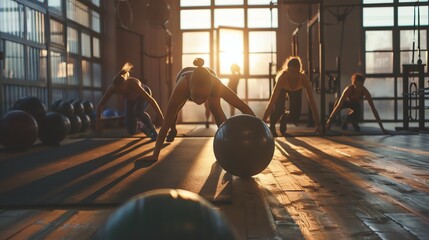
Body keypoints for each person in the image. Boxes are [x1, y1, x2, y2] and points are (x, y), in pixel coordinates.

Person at [145, 58, 255, 162]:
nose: (200, 101)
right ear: (189, 91)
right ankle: (173, 130)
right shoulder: (182, 87)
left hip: (209, 75)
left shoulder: (216, 85)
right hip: (184, 77)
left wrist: (261, 128)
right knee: (174, 113)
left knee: (215, 109)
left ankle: (228, 146)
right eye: (196, 96)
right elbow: (165, 123)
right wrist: (155, 155)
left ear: (210, 90)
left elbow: (243, 106)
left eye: (204, 97)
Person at [95, 62, 164, 140]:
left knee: (138, 112)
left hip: (142, 96)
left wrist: (161, 117)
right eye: (118, 90)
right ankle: (142, 125)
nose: (120, 92)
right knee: (131, 131)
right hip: (130, 100)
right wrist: (98, 122)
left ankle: (152, 130)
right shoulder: (113, 88)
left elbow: (151, 101)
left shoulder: (134, 84)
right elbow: (100, 104)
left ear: (126, 84)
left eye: (121, 90)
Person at [263, 56, 321, 136]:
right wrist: (262, 122)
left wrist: (318, 124)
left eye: (296, 73)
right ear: (288, 70)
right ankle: (272, 125)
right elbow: (271, 102)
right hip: (282, 88)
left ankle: (285, 117)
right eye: (292, 72)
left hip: (296, 90)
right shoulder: (282, 78)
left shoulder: (303, 78)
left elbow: (312, 102)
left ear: (299, 71)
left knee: (295, 116)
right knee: (278, 109)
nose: (294, 76)